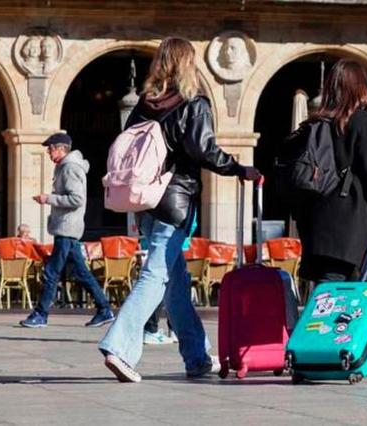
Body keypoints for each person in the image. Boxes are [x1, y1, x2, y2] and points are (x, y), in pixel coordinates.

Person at [98, 36, 261, 382]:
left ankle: (197, 357)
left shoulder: (145, 103)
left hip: (145, 202)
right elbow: (203, 150)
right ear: (189, 63)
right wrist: (239, 169)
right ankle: (119, 347)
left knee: (175, 286)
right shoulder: (193, 102)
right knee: (156, 275)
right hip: (175, 202)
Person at [293, 59, 367, 284]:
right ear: (361, 88)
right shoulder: (365, 124)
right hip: (351, 232)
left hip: (315, 228)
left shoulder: (314, 125)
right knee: (355, 302)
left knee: (325, 298)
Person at [19, 133, 114, 328]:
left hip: (67, 227)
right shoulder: (65, 167)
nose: (48, 152)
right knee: (81, 272)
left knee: (51, 272)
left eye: (51, 148)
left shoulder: (70, 167)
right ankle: (104, 309)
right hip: (66, 227)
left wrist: (49, 199)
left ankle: (41, 314)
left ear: (62, 148)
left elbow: (77, 199)